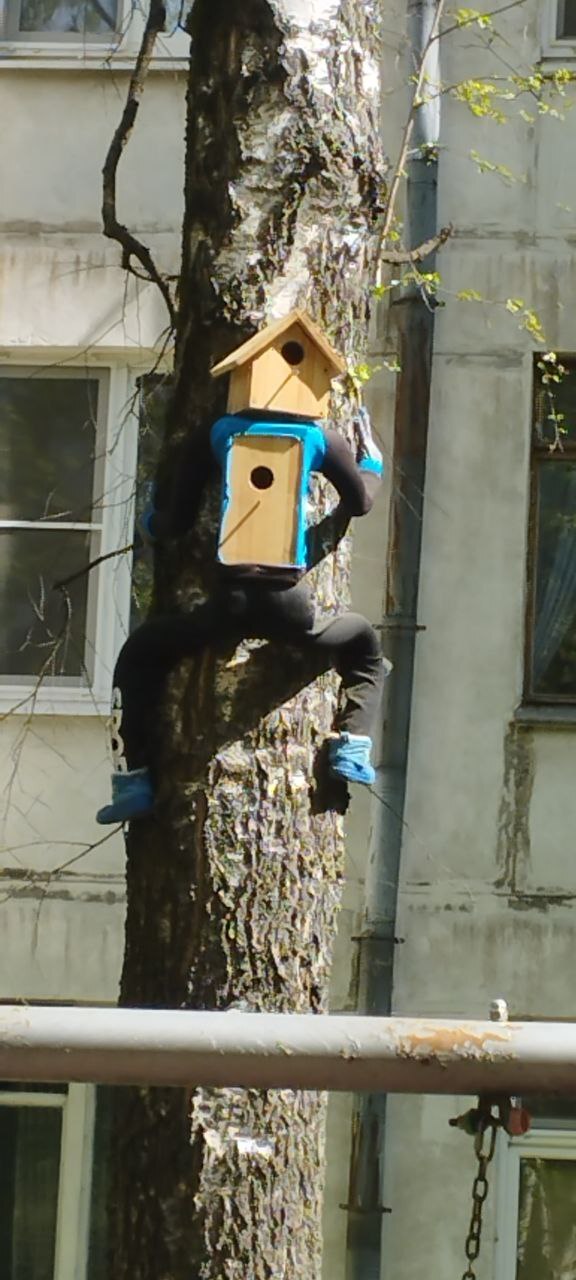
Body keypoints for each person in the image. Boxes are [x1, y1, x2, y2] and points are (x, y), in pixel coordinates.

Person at [96, 407, 390, 824]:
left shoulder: (217, 432)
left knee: (139, 653)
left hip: (228, 604)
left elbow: (174, 523)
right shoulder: (320, 437)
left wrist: (149, 519)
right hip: (289, 606)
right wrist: (372, 466)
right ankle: (353, 747)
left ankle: (132, 778)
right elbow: (359, 503)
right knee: (364, 644)